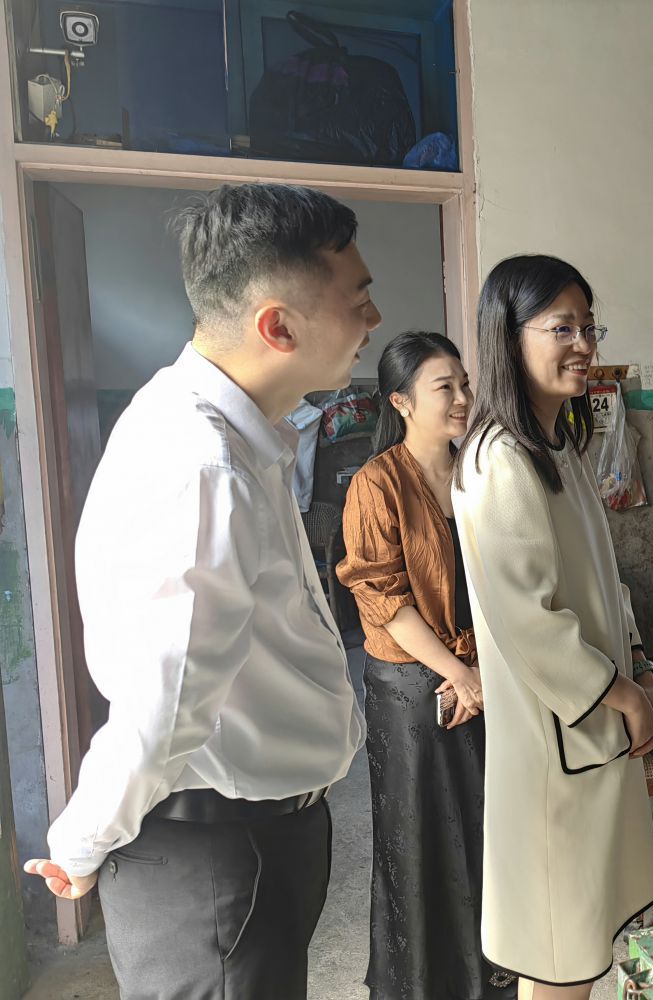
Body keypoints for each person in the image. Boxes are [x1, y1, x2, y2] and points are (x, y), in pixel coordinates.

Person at [24, 183, 376, 997]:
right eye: (357, 298)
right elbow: (167, 698)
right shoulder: (201, 461)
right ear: (277, 326)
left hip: (254, 836)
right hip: (212, 858)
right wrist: (83, 841)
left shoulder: (235, 434)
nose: (373, 318)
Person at [451, 255, 653, 999]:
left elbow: (605, 581)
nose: (584, 344)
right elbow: (527, 619)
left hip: (591, 730)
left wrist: (639, 664)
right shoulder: (498, 460)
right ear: (508, 338)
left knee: (582, 941)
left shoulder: (557, 447)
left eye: (589, 327)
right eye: (562, 328)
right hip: (556, 744)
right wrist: (621, 692)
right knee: (558, 952)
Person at [338, 331, 514, 1000]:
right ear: (402, 402)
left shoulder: (478, 472)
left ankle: (490, 978)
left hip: (484, 676)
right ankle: (419, 985)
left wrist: (482, 672)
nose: (464, 397)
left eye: (465, 384)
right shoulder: (377, 484)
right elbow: (385, 601)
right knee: (419, 841)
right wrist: (459, 674)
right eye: (446, 387)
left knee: (486, 833)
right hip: (414, 690)